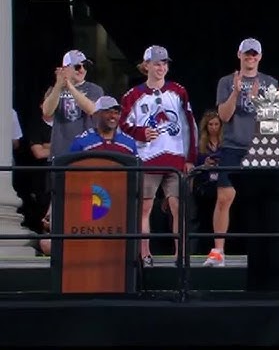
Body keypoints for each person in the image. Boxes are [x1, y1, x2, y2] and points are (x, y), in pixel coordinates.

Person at [120, 45, 198, 267]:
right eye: (156, 63)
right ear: (146, 66)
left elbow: (189, 125)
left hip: (175, 159)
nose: (161, 67)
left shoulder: (178, 91)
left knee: (178, 207)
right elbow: (122, 125)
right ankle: (145, 254)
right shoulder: (133, 95)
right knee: (144, 208)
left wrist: (190, 158)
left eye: (164, 63)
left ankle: (180, 255)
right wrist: (141, 133)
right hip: (147, 159)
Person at [205, 38, 278, 267]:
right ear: (239, 54)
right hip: (233, 146)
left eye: (254, 54)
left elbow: (272, 121)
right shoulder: (227, 81)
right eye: (247, 53)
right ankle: (218, 251)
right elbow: (224, 117)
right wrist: (236, 93)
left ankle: (265, 251)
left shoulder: (269, 82)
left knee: (263, 200)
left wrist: (258, 102)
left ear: (260, 57)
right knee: (224, 198)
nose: (251, 57)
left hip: (260, 148)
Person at [39, 96, 138, 255]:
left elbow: (136, 177)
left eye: (116, 112)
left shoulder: (129, 143)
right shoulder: (82, 142)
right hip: (90, 201)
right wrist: (52, 210)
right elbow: (66, 177)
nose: (113, 116)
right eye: (108, 112)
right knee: (47, 244)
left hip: (121, 202)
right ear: (95, 115)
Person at [41, 50, 104, 159]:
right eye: (77, 67)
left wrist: (70, 86)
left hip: (86, 153)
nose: (82, 70)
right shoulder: (54, 90)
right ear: (65, 69)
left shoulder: (94, 89)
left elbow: (92, 110)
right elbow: (47, 111)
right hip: (60, 153)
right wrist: (59, 85)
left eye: (85, 66)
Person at [190, 110, 223, 255]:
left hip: (220, 186)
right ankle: (202, 251)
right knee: (203, 221)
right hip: (204, 186)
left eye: (216, 124)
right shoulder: (200, 144)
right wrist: (205, 163)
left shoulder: (225, 143)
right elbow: (193, 166)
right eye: (211, 124)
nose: (214, 127)